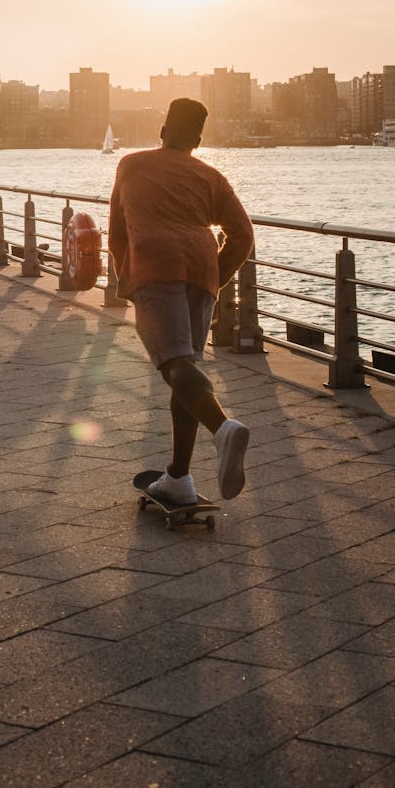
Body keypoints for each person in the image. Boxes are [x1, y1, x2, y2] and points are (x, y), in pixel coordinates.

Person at [108, 98, 255, 505]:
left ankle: (224, 429)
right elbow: (242, 236)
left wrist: (131, 277)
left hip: (156, 269)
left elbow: (117, 233)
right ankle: (178, 477)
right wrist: (215, 277)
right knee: (184, 369)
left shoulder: (131, 165)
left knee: (174, 365)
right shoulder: (212, 176)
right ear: (199, 137)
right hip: (202, 269)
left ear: (162, 130)